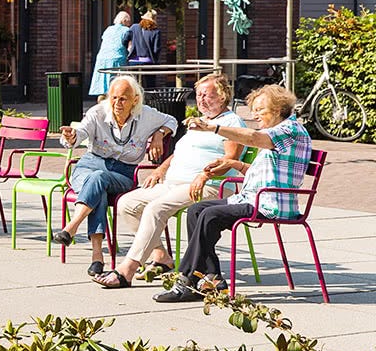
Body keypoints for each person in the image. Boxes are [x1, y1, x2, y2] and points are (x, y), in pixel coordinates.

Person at [154, 84, 312, 303]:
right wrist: (234, 164)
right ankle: (212, 277)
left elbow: (253, 138)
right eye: (254, 110)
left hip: (271, 202)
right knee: (196, 210)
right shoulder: (278, 133)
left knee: (211, 215)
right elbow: (261, 173)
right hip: (255, 196)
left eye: (260, 110)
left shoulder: (289, 130)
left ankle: (187, 279)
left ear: (277, 109)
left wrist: (213, 128)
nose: (255, 115)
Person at [92, 73, 244, 288]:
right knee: (127, 203)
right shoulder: (198, 122)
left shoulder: (231, 122)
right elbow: (180, 152)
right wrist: (160, 169)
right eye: (198, 94)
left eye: (207, 95)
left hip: (209, 186)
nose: (200, 99)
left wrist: (204, 175)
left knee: (156, 208)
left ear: (222, 97)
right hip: (174, 183)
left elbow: (231, 159)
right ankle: (161, 256)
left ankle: (127, 269)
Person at [53, 75, 177, 276]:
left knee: (98, 180)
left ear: (135, 99)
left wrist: (159, 134)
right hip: (88, 166)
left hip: (123, 173)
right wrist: (71, 137)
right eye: (113, 98)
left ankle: (73, 228)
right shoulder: (97, 112)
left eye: (123, 99)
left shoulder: (146, 114)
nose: (117, 103)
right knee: (97, 186)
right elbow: (80, 133)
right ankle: (96, 258)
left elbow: (172, 120)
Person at [89, 11, 131, 97]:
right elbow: (130, 47)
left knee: (103, 86)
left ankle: (101, 100)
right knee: (117, 85)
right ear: (125, 21)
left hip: (102, 59)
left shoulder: (108, 29)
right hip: (117, 59)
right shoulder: (127, 30)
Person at [125, 10, 163, 88]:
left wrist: (129, 48)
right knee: (150, 84)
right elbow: (156, 49)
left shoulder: (134, 27)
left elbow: (125, 39)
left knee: (134, 84)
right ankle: (149, 99)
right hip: (148, 62)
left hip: (134, 61)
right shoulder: (156, 32)